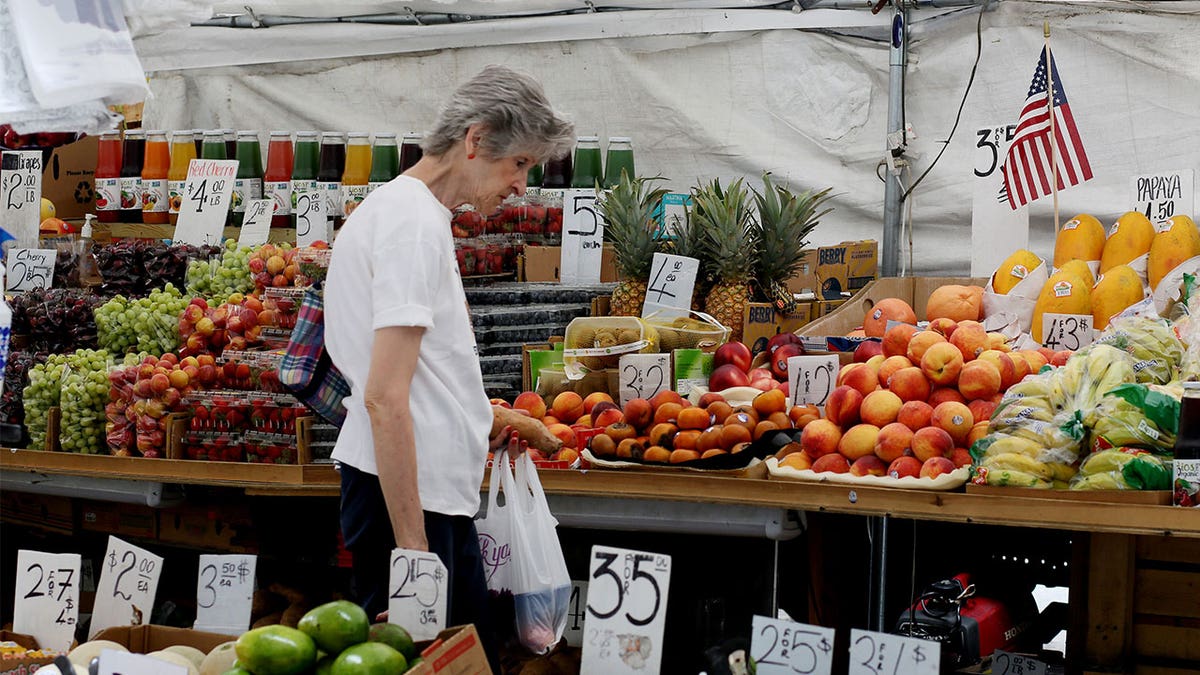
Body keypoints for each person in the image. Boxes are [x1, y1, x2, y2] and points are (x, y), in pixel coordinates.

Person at [323, 65, 574, 667]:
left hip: (419, 495)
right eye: (518, 164)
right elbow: (385, 397)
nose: (522, 186)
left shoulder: (411, 215)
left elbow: (421, 380)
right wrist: (413, 553)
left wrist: (490, 417)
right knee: (443, 661)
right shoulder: (412, 228)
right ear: (475, 139)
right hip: (411, 507)